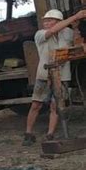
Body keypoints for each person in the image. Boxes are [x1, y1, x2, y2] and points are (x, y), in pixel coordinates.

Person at [23, 9, 86, 146]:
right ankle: (28, 133)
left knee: (56, 105)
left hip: (63, 75)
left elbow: (75, 44)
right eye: (45, 21)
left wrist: (75, 28)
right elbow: (52, 31)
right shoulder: (40, 34)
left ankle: (50, 134)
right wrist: (75, 16)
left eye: (50, 20)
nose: (46, 23)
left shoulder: (67, 33)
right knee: (36, 104)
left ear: (58, 21)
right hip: (44, 75)